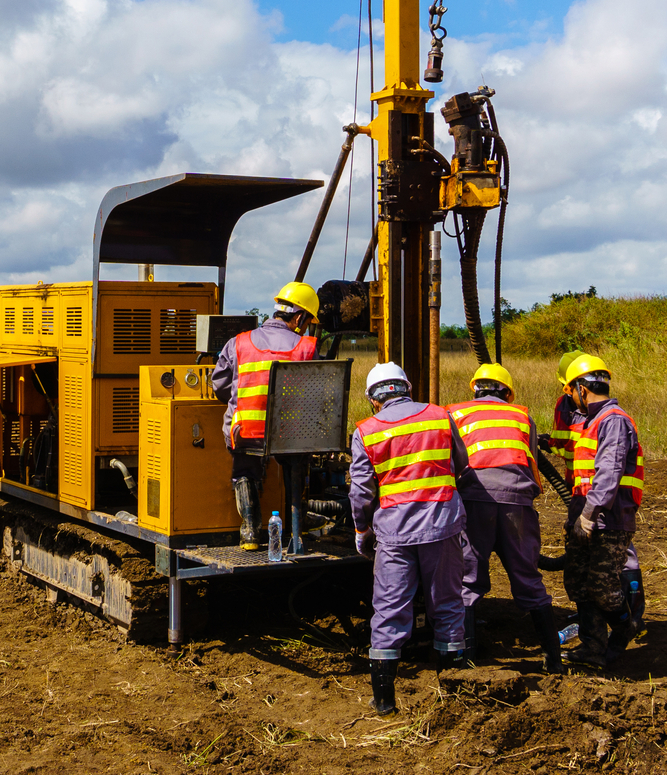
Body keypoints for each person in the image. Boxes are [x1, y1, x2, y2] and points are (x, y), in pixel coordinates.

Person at [347, 361, 479, 715]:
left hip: (393, 534)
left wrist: (362, 531)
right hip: (443, 526)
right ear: (406, 386)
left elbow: (361, 492)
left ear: (373, 399)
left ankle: (385, 702)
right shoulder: (440, 416)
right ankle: (453, 697)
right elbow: (462, 464)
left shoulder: (367, 430)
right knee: (449, 605)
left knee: (389, 611)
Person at [448, 363, 562, 673]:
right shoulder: (522, 415)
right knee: (528, 579)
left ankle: (467, 662)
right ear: (507, 393)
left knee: (468, 583)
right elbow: (532, 462)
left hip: (474, 503)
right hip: (517, 504)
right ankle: (553, 661)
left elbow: (450, 461)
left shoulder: (455, 414)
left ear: (475, 389)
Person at [211, 281, 319, 550]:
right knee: (296, 461)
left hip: (246, 432)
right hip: (289, 434)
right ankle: (297, 526)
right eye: (306, 322)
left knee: (244, 468)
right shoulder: (307, 348)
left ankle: (250, 531)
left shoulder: (239, 342)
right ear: (299, 317)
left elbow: (219, 387)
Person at [545, 351, 646, 640]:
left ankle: (626, 630)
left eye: (571, 392)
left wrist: (588, 515)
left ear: (581, 389)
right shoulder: (593, 420)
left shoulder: (613, 421)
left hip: (607, 521)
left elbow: (608, 474)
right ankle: (592, 648)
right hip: (585, 516)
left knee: (603, 591)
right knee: (578, 584)